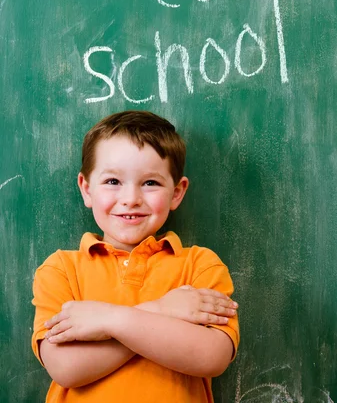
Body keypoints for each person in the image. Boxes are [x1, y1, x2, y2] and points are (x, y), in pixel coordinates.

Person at [32, 110, 239, 403]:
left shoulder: (200, 266)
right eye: (113, 181)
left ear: (177, 192)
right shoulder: (61, 270)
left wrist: (107, 321)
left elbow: (212, 357)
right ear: (86, 189)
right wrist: (163, 310)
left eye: (150, 183)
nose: (131, 198)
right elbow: (66, 368)